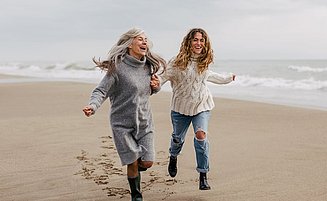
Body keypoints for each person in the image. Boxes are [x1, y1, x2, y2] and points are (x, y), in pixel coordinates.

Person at [82, 27, 166, 201]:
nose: (144, 42)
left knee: (147, 161)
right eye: (139, 38)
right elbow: (101, 91)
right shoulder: (117, 68)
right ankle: (136, 195)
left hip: (144, 122)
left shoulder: (148, 66)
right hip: (122, 124)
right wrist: (93, 105)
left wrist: (156, 86)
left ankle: (135, 166)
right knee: (132, 160)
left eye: (146, 39)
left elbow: (150, 90)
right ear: (129, 44)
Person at [158, 28, 235, 190]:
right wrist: (153, 84)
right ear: (189, 42)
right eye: (195, 40)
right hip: (180, 108)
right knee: (177, 138)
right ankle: (173, 155)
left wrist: (228, 78)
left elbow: (212, 76)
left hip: (202, 106)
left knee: (201, 136)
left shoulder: (203, 61)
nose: (199, 43)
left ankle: (203, 175)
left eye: (201, 40)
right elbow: (162, 78)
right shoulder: (176, 62)